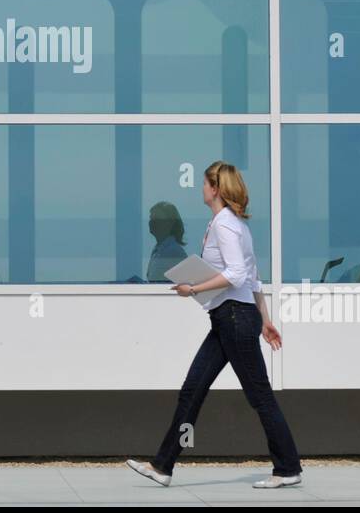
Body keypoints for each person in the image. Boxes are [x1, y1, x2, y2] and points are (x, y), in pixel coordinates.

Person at [126, 160, 303, 489]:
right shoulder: (232, 225)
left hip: (234, 317)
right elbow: (253, 277)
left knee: (259, 396)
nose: (201, 188)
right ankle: (163, 466)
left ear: (216, 189)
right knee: (192, 391)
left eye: (205, 183)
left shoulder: (225, 225)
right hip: (230, 317)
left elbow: (238, 274)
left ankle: (288, 467)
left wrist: (192, 288)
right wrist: (265, 320)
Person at [145, 201, 187, 282]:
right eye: (151, 218)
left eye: (156, 219)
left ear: (169, 223)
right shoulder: (158, 250)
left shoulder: (174, 252)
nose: (151, 222)